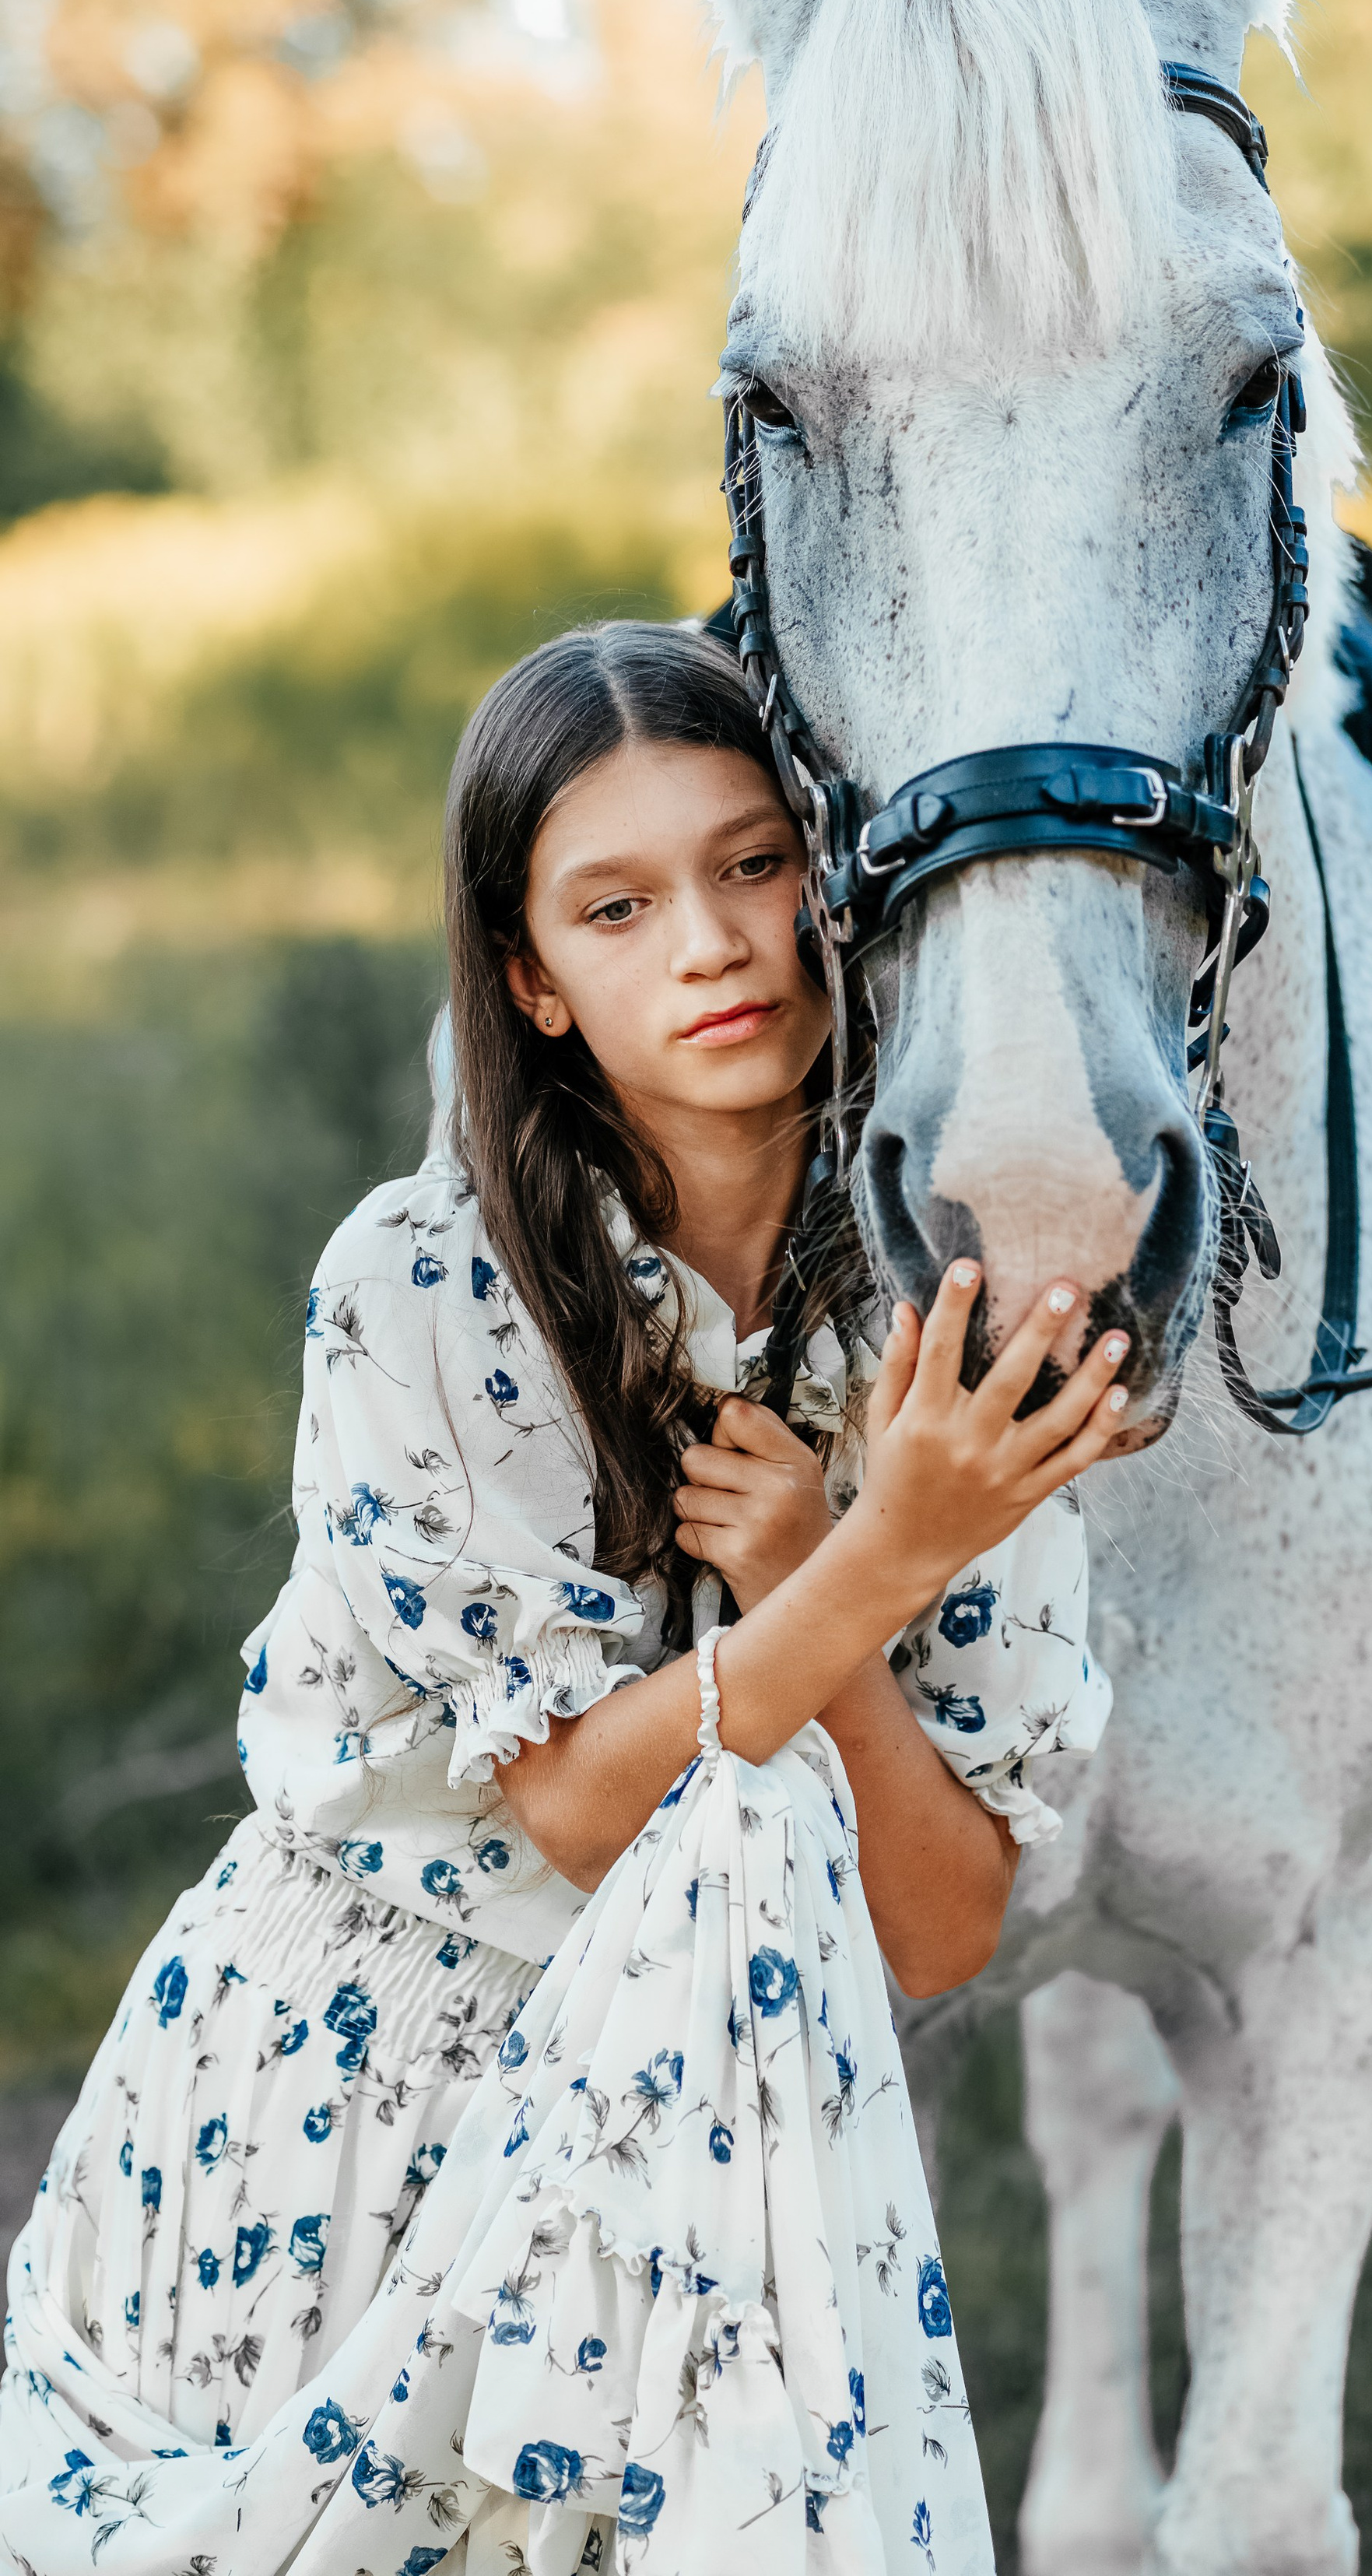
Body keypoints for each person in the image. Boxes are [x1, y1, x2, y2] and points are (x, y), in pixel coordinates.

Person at [0, 622, 1121, 2574]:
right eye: (615, 906)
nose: (707, 944)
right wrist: (880, 1555)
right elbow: (580, 1807)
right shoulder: (424, 1293)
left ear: (835, 880)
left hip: (742, 2141)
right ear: (528, 980)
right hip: (362, 2103)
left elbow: (943, 1926)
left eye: (754, 863)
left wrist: (826, 1567)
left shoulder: (952, 1334)